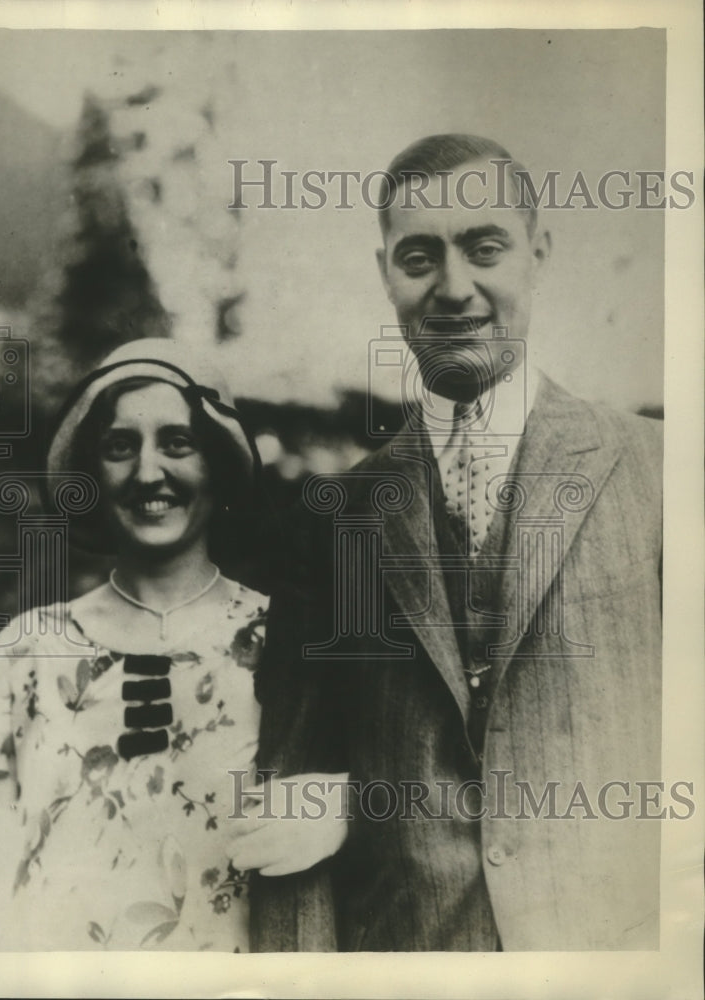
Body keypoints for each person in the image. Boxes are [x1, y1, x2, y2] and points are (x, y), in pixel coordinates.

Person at [249, 135, 663, 951]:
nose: (454, 288)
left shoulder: (660, 470)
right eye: (419, 256)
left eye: (484, 248)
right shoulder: (336, 515)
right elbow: (292, 794)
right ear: (386, 275)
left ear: (538, 254)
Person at [0, 338, 345, 952]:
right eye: (121, 447)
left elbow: (384, 794)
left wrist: (346, 809)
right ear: (92, 473)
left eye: (178, 443)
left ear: (219, 465)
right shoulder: (31, 649)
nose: (149, 472)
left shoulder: (287, 640)